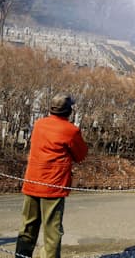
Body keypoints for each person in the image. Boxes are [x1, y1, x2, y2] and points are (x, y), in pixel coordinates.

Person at [15, 93, 88, 258]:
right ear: (69, 111)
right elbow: (81, 154)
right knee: (52, 230)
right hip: (53, 186)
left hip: (32, 181)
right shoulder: (71, 130)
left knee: (28, 226)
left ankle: (21, 256)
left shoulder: (39, 124)